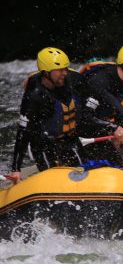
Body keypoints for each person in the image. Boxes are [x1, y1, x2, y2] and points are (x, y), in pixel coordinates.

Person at [8, 47, 86, 182]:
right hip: (43, 144)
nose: (65, 73)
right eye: (60, 70)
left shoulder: (72, 79)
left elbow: (97, 86)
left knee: (85, 172)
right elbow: (23, 132)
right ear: (46, 72)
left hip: (69, 139)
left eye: (66, 68)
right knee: (54, 180)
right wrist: (16, 168)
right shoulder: (34, 95)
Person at [78, 43, 123, 162]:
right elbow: (86, 118)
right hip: (87, 136)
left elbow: (120, 116)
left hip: (106, 134)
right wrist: (113, 128)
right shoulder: (98, 80)